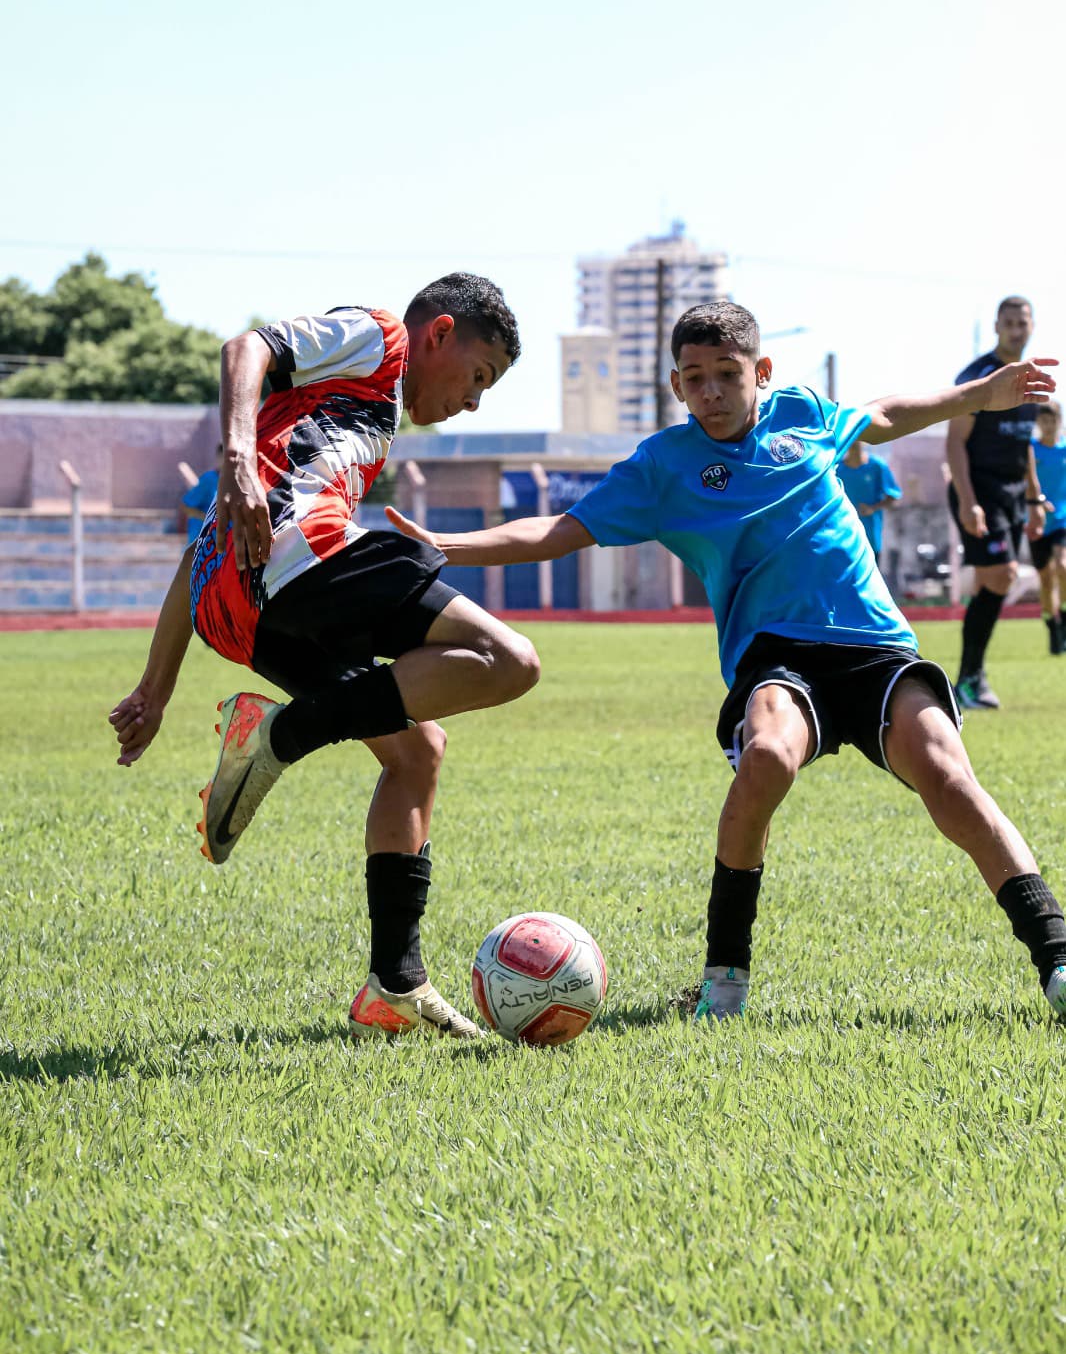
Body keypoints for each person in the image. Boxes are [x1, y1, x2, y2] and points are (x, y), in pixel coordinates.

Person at [385, 301, 1066, 1025]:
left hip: (874, 645)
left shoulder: (802, 415)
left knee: (949, 773)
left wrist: (980, 395)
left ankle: (1055, 957)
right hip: (776, 656)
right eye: (695, 378)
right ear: (677, 386)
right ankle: (724, 979)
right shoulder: (664, 468)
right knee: (767, 755)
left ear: (762, 374)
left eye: (727, 375)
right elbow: (559, 529)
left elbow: (885, 412)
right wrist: (446, 545)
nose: (711, 392)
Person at [109, 274, 540, 1041]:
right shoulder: (383, 337)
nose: (473, 401)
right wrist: (235, 451)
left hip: (248, 612)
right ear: (439, 334)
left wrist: (155, 689)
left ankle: (394, 986)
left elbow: (201, 555)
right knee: (510, 660)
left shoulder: (325, 424)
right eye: (479, 377)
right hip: (302, 563)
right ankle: (279, 738)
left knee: (416, 751)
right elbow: (248, 345)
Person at [946, 296, 1048, 710]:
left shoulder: (1030, 379)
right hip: (979, 490)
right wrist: (969, 501)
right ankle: (969, 679)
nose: (1015, 329)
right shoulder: (979, 376)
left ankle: (968, 680)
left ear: (1031, 326)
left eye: (1022, 322)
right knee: (1004, 574)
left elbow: (1024, 445)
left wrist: (1035, 497)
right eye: (1008, 322)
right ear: (996, 327)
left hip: (1011, 492)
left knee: (996, 583)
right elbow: (955, 443)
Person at [1032, 400, 1066, 655]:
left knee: (1062, 566)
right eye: (1043, 420)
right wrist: (1036, 503)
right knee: (1045, 578)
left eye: (1052, 420)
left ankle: (1063, 617)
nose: (1048, 425)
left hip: (1063, 519)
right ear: (1037, 423)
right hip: (1036, 522)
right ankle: (1051, 624)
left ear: (1059, 421)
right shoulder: (1030, 450)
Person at [837, 438, 901, 566]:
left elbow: (893, 496)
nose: (855, 442)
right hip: (842, 536)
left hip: (870, 537)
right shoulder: (837, 468)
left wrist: (873, 508)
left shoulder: (877, 466)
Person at [179, 444, 223, 545]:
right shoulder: (209, 479)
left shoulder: (235, 481)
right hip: (201, 543)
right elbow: (185, 507)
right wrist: (210, 520)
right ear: (219, 456)